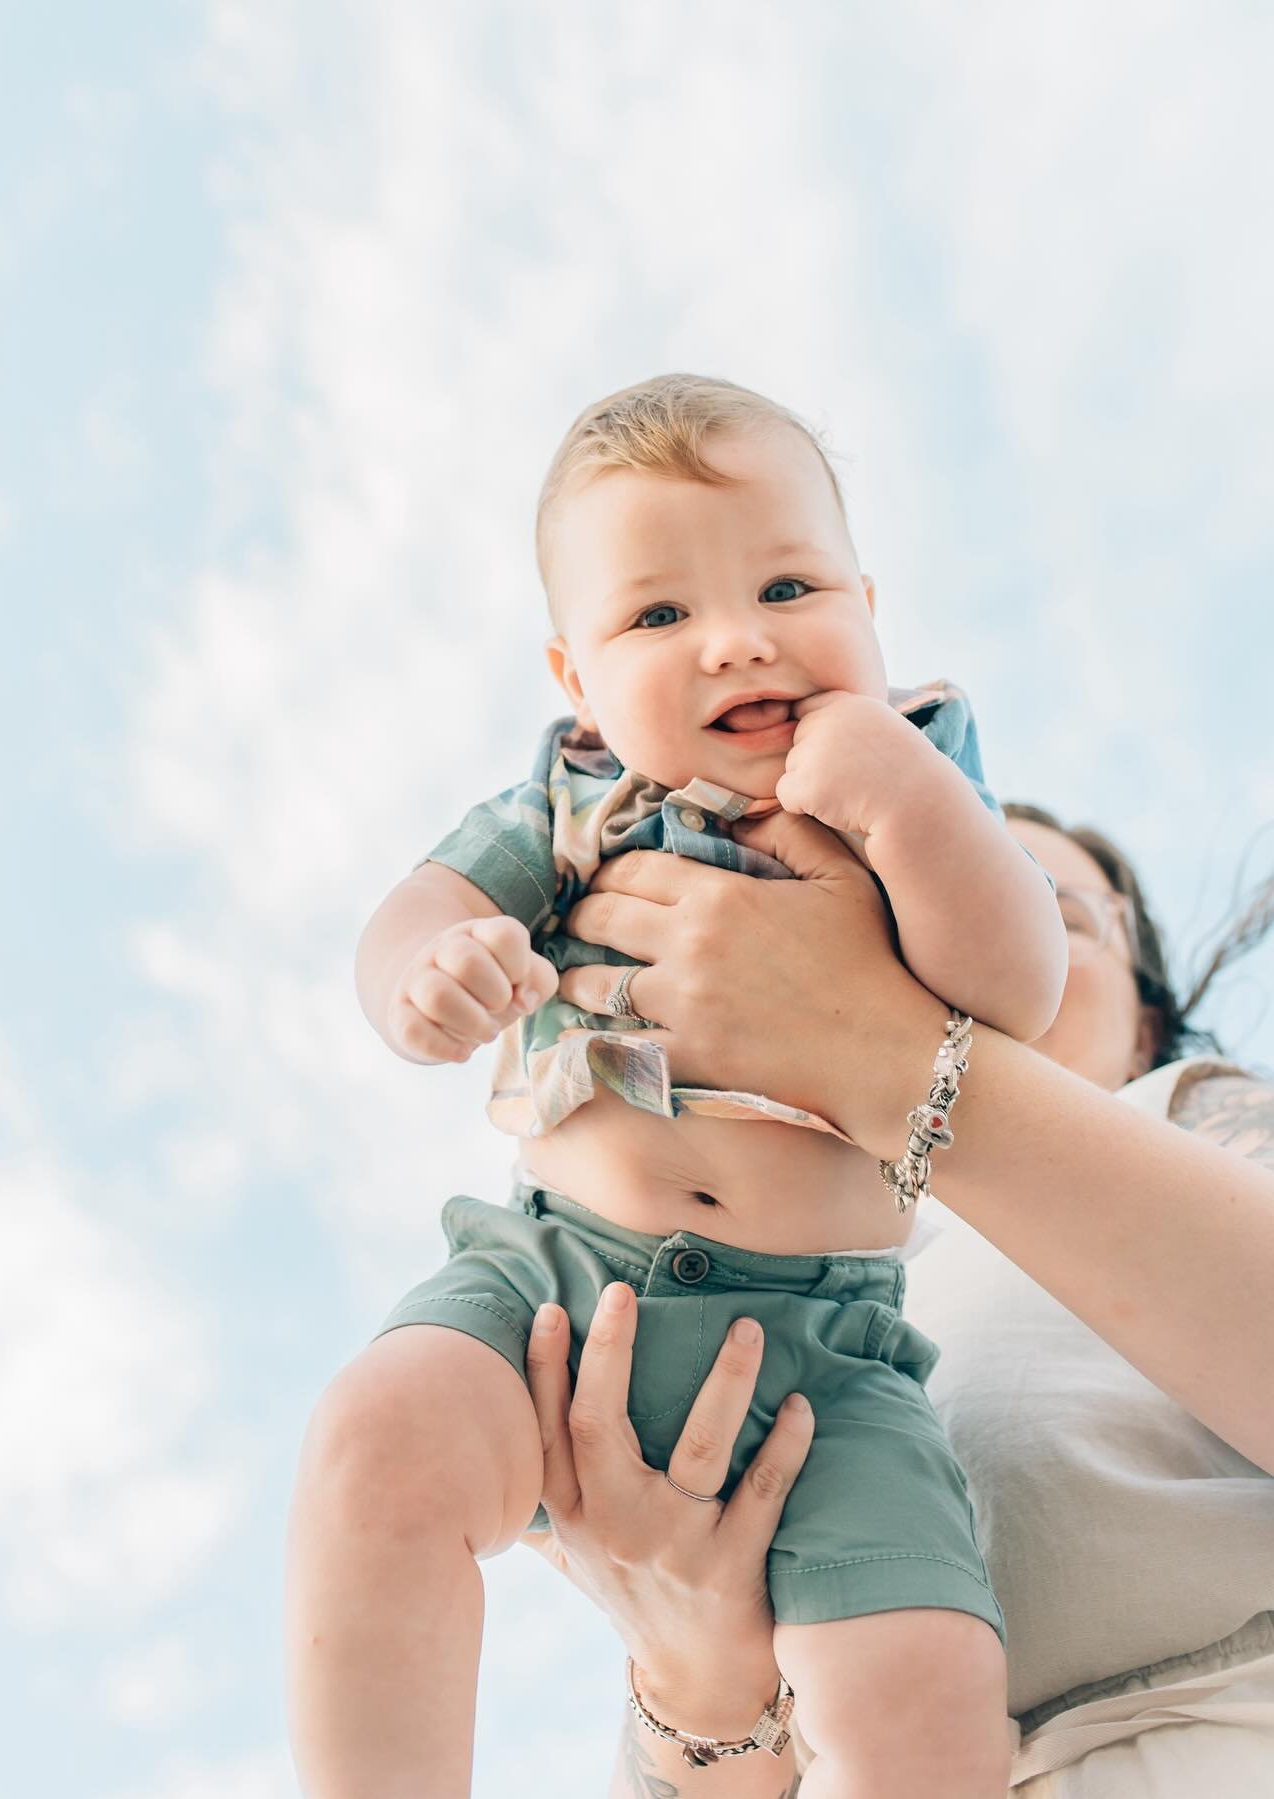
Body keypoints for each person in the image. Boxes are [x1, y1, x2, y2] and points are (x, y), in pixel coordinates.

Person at [286, 373, 1069, 1797]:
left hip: (825, 1351)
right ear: (577, 679)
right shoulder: (570, 795)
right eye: (658, 615)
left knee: (926, 1676)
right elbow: (416, 908)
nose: (736, 639)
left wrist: (900, 795)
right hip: (553, 1280)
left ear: (870, 606)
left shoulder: (918, 768)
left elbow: (1018, 989)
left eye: (788, 584)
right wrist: (430, 969)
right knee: (375, 1443)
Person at [515, 802, 1274, 1794]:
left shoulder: (1196, 1115)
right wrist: (694, 1678)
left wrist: (897, 1056)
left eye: (1061, 916)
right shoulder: (771, 1271)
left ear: (1145, 1017)